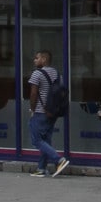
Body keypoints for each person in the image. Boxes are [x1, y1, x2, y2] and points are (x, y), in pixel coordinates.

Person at [26, 48, 70, 178]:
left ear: (44, 59)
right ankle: (41, 168)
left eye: (37, 57)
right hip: (53, 112)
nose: (34, 60)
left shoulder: (37, 74)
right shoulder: (57, 73)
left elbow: (33, 93)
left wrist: (33, 109)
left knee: (36, 140)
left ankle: (59, 160)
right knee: (46, 139)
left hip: (40, 111)